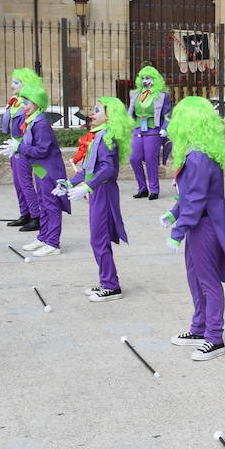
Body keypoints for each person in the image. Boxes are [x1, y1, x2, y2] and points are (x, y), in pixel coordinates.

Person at [162, 96, 225, 361]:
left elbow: (197, 200)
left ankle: (214, 336)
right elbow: (189, 196)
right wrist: (173, 213)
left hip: (204, 225)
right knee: (194, 277)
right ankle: (199, 328)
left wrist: (178, 231)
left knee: (208, 281)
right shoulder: (197, 152)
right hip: (197, 224)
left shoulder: (199, 156)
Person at [68, 97, 134, 302]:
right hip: (97, 191)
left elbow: (108, 169)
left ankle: (111, 286)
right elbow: (89, 167)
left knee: (100, 238)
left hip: (103, 192)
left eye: (97, 110)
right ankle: (106, 280)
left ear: (109, 116)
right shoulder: (98, 136)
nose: (92, 113)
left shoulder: (107, 138)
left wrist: (87, 187)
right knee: (97, 238)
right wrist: (70, 183)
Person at [2, 77, 68, 258]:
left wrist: (19, 148)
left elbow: (42, 150)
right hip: (40, 170)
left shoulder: (41, 123)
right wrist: (17, 149)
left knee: (51, 206)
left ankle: (53, 243)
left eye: (26, 102)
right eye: (22, 102)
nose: (23, 105)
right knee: (43, 204)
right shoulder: (32, 121)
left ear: (37, 103)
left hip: (49, 172)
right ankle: (43, 237)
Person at [1, 70, 43, 231]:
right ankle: (24, 213)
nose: (12, 85)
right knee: (18, 182)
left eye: (17, 82)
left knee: (25, 182)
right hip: (14, 146)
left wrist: (20, 146)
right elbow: (6, 126)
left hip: (23, 147)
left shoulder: (30, 104)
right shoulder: (14, 102)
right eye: (13, 82)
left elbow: (30, 129)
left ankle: (35, 216)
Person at [127, 66, 172, 201]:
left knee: (151, 159)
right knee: (134, 158)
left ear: (155, 80)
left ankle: (154, 189)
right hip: (138, 128)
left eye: (148, 78)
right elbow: (131, 112)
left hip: (153, 130)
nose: (145, 81)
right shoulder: (135, 94)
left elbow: (168, 114)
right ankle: (142, 188)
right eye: (143, 78)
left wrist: (165, 128)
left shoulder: (162, 96)